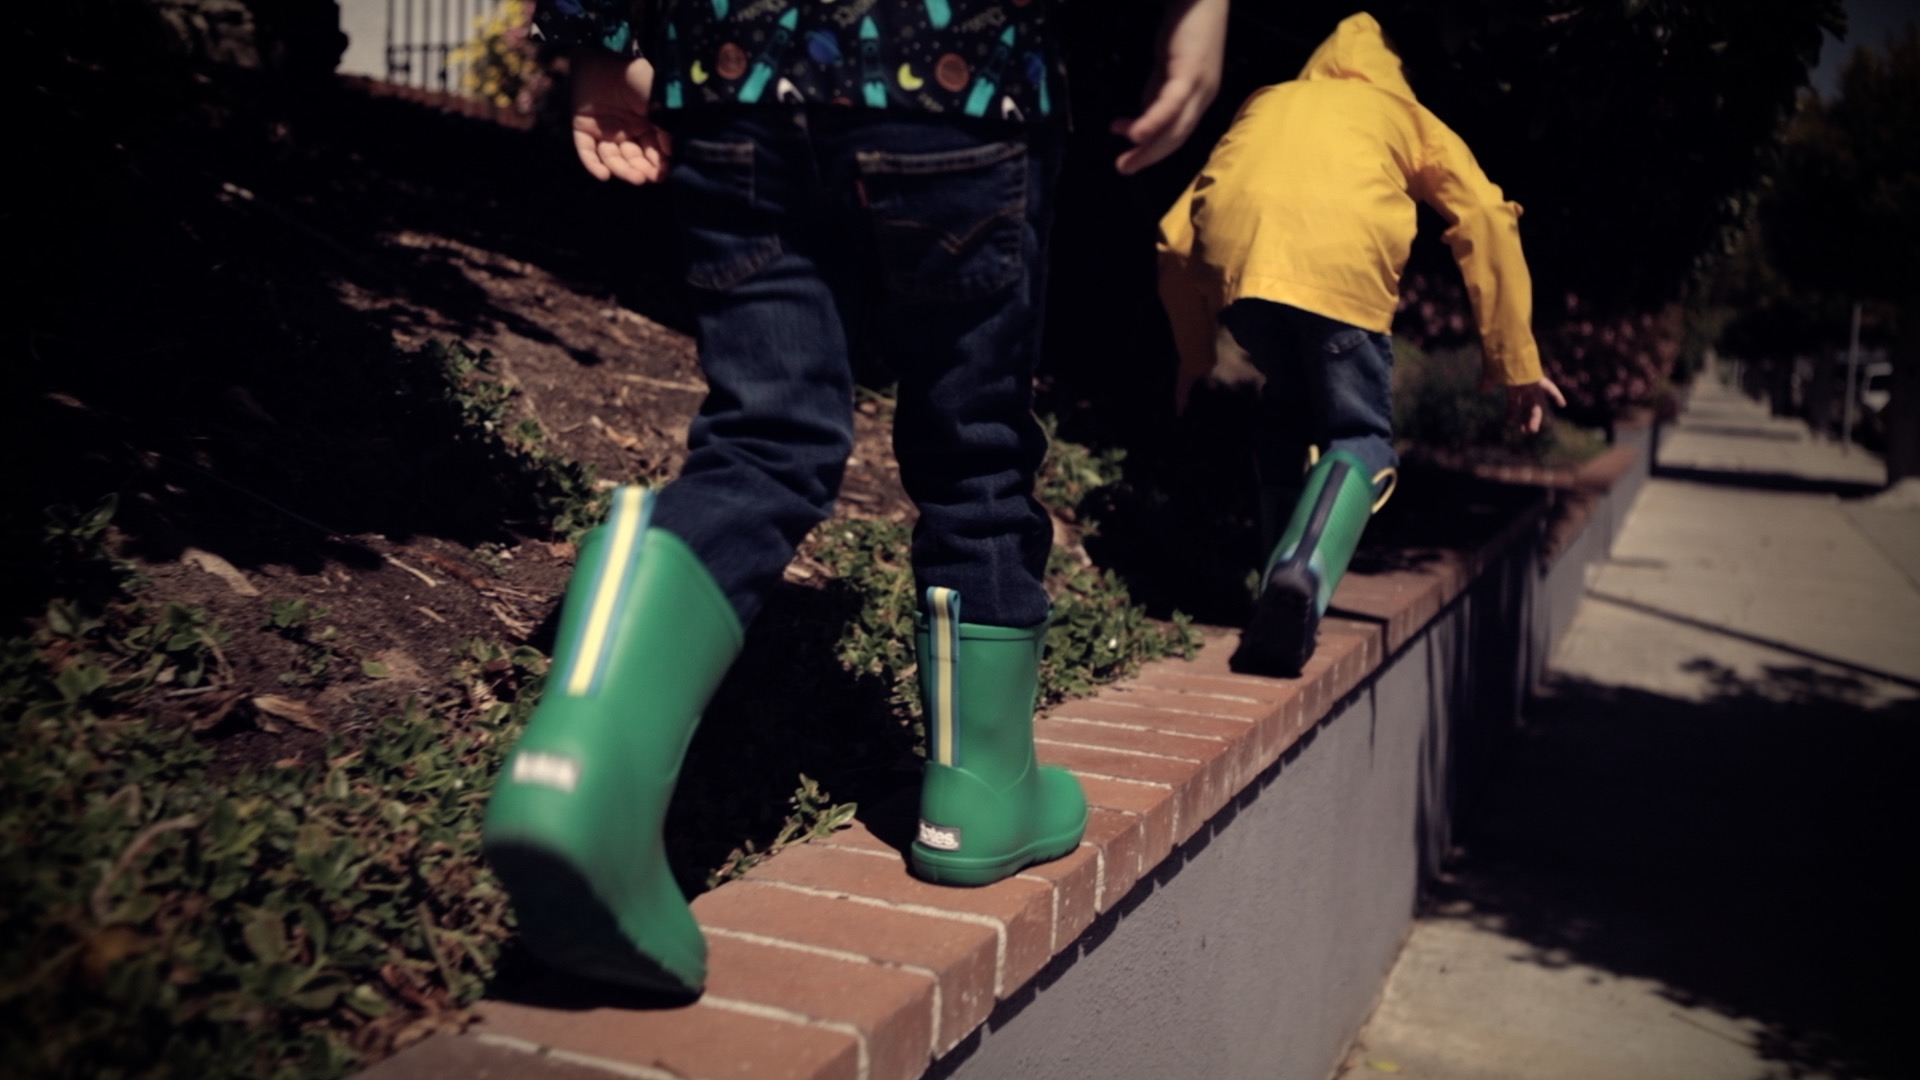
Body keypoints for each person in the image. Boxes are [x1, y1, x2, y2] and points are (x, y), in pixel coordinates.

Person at [482, 0, 1229, 995]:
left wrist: (598, 39)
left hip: (738, 74)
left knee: (763, 437)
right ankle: (977, 794)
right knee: (974, 444)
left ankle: (579, 766)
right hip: (963, 73)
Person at [1156, 10, 1564, 677]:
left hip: (1244, 281)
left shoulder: (1269, 103)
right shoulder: (1402, 115)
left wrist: (1195, 355)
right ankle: (1301, 570)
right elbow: (1485, 216)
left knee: (1288, 413)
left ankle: (1274, 596)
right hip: (1341, 278)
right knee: (1361, 434)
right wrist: (1516, 361)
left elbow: (1174, 240)